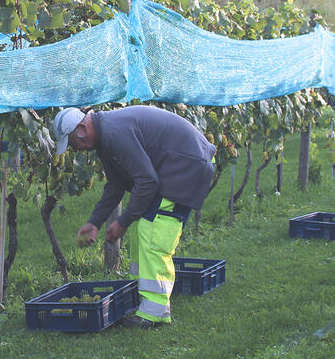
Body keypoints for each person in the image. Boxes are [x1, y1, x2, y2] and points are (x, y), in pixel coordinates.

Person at [53, 105, 216, 327]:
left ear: (82, 128)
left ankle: (155, 312)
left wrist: (123, 221)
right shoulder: (105, 137)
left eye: (73, 142)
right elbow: (116, 184)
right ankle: (145, 297)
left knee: (153, 233)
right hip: (177, 163)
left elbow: (148, 181)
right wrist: (94, 222)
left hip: (188, 165)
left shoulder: (115, 132)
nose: (76, 148)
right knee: (142, 232)